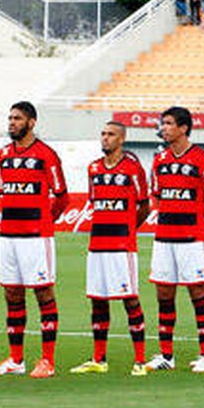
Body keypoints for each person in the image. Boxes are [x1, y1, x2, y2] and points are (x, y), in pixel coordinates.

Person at [0, 101, 68, 379]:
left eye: (18, 118)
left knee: (43, 294)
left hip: (36, 238)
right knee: (12, 294)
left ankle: (47, 360)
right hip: (8, 236)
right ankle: (16, 359)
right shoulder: (1, 154)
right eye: (10, 117)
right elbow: (2, 192)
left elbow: (62, 197)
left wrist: (44, 222)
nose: (12, 122)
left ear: (32, 122)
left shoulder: (47, 155)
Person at [145, 106, 204, 373]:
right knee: (163, 294)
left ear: (184, 128)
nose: (164, 128)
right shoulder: (160, 160)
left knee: (197, 293)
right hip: (164, 239)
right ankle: (166, 354)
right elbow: (157, 195)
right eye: (162, 123)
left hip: (191, 239)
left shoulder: (201, 159)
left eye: (168, 123)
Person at [70, 121, 151, 376]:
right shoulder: (93, 168)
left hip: (121, 246)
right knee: (98, 301)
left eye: (111, 135)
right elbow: (96, 203)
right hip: (97, 245)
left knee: (129, 300)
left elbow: (144, 206)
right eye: (103, 134)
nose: (105, 138)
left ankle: (140, 360)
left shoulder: (133, 169)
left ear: (122, 139)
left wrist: (127, 229)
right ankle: (99, 358)